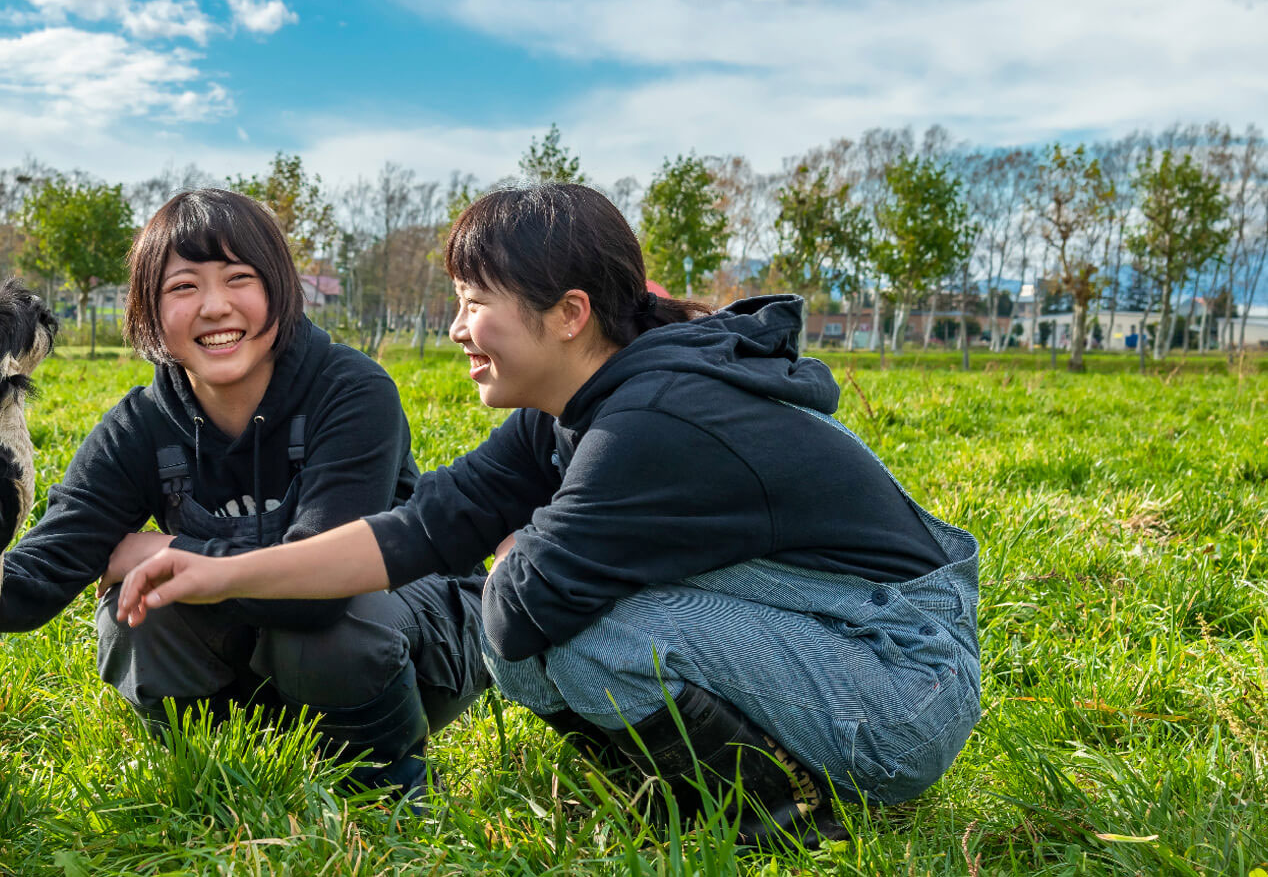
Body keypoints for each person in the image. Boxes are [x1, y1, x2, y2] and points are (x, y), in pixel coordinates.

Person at [117, 184, 981, 847]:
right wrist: (222, 572)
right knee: (527, 649)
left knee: (581, 635)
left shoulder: (653, 421)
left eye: (473, 302)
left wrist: (516, 551)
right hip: (811, 636)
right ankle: (681, 802)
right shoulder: (566, 407)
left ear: (568, 315)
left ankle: (787, 817)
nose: (457, 328)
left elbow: (519, 604)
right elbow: (423, 528)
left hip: (897, 678)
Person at [0, 188, 490, 797]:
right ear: (149, 312)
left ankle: (385, 787)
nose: (214, 306)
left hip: (410, 644)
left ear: (279, 288)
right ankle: (222, 781)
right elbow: (39, 574)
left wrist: (171, 549)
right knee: (138, 609)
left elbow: (317, 589)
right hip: (265, 654)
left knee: (332, 623)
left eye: (239, 278)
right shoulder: (139, 426)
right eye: (182, 287)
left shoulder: (352, 391)